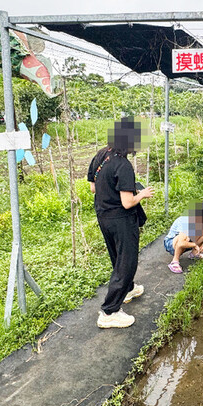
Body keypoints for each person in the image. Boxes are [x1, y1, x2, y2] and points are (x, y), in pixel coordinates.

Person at [88, 118, 153, 329]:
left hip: (104, 216)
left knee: (117, 257)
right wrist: (141, 194)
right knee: (127, 262)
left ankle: (128, 289)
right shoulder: (123, 165)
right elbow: (127, 203)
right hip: (121, 219)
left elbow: (93, 188)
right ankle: (109, 311)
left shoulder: (101, 155)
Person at [164, 203, 203, 274]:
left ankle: (195, 253)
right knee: (185, 237)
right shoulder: (184, 221)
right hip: (171, 244)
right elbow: (181, 243)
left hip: (186, 242)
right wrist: (194, 245)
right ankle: (174, 261)